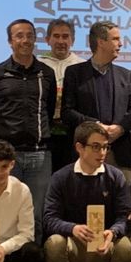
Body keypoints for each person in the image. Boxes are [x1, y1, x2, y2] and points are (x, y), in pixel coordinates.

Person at [44, 121, 131, 262]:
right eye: (95, 147)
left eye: (105, 147)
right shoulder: (61, 177)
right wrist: (72, 228)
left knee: (126, 245)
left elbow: (124, 216)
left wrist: (113, 232)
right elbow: (49, 218)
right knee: (53, 242)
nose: (102, 152)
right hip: (75, 246)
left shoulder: (116, 176)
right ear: (79, 147)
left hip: (104, 246)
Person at [0, 19, 57, 237]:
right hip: (7, 156)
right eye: (19, 36)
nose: (25, 40)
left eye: (29, 35)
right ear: (10, 41)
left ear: (35, 39)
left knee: (36, 216)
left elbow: (50, 108)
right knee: (4, 214)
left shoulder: (46, 73)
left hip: (39, 154)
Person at [61, 21, 131, 177]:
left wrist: (120, 128)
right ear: (101, 42)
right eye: (116, 39)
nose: (121, 44)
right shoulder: (75, 73)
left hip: (119, 155)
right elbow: (67, 112)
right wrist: (96, 126)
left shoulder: (126, 75)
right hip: (86, 155)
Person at [39, 19, 84, 170]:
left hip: (73, 134)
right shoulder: (38, 64)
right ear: (47, 40)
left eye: (65, 36)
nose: (61, 41)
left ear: (73, 40)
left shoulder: (82, 66)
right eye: (56, 36)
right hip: (44, 134)